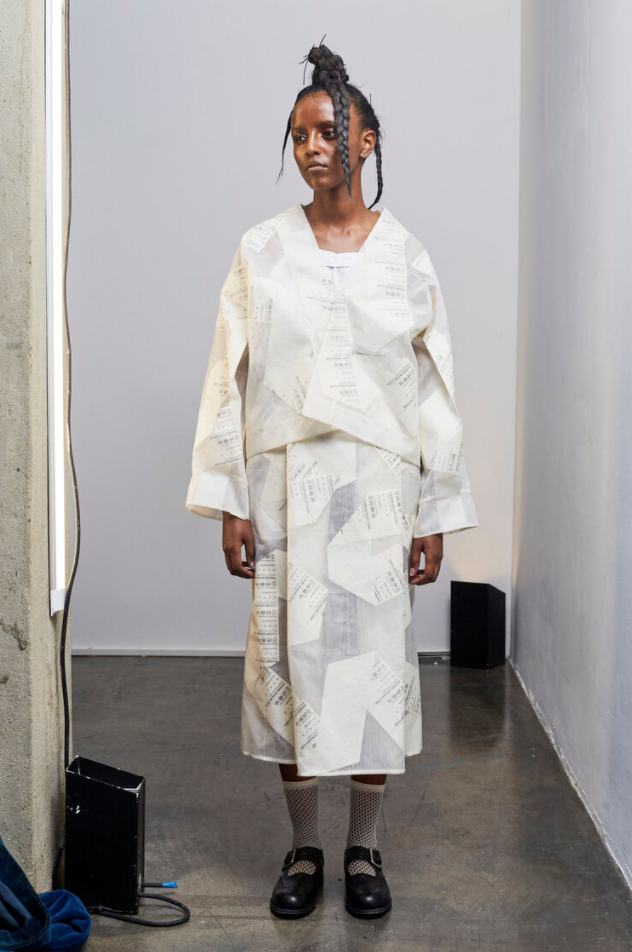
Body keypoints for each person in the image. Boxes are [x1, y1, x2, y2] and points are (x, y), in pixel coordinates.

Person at [185, 40, 478, 920]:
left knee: (373, 669)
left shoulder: (406, 256)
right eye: (299, 134)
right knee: (290, 669)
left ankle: (364, 848)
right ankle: (306, 845)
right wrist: (229, 499)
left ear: (367, 139)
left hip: (379, 494)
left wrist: (434, 510)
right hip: (284, 490)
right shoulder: (262, 250)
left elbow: (434, 388)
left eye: (327, 131)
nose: (312, 147)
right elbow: (227, 376)